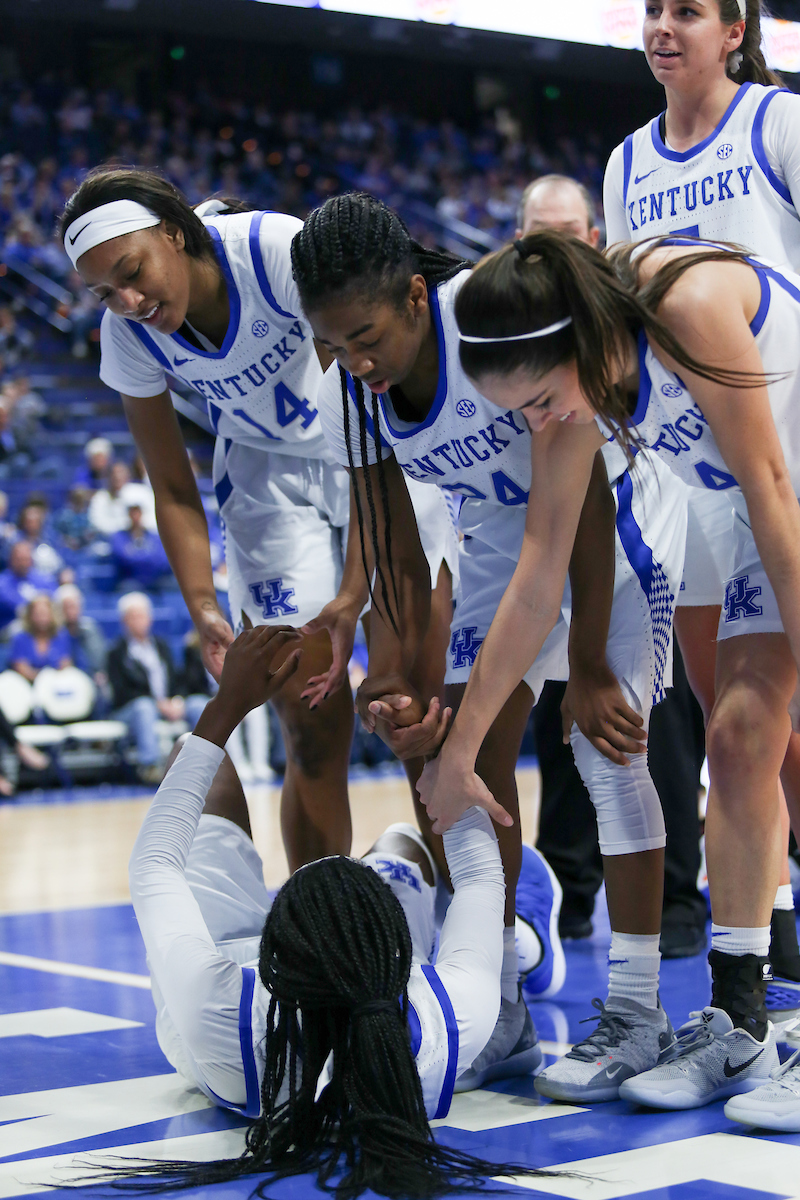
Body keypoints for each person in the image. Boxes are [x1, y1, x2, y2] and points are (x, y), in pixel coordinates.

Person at [295, 192, 688, 1100]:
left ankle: (635, 1012)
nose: (354, 362)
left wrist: (587, 659)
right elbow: (392, 547)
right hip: (499, 543)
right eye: (333, 345)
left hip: (608, 512)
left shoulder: (491, 322)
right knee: (456, 761)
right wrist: (391, 676)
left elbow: (578, 491)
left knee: (603, 750)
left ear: (416, 303)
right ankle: (499, 1003)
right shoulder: (351, 394)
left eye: (366, 338)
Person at [422, 228, 800, 1120]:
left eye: (545, 400)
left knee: (773, 739)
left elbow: (774, 485)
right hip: (735, 507)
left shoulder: (688, 308)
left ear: (584, 344)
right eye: (522, 413)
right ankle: (742, 1021)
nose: (542, 423)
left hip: (781, 490)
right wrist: (461, 752)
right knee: (738, 742)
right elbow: (535, 578)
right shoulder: (570, 396)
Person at [61, 168, 456, 871]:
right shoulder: (128, 337)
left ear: (175, 234)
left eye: (131, 271)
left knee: (414, 703)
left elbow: (367, 398)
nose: (126, 300)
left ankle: (476, 916)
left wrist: (354, 590)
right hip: (269, 481)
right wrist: (203, 605)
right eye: (103, 293)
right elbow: (174, 488)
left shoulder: (273, 252)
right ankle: (321, 934)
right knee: (307, 724)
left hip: (372, 453)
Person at [122, 623, 551, 1198]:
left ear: (275, 948)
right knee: (400, 842)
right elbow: (484, 879)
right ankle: (523, 940)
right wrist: (433, 752)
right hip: (340, 977)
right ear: (396, 952)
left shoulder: (222, 1010)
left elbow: (154, 864)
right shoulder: (439, 1019)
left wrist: (225, 709)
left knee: (189, 756)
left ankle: (521, 938)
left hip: (223, 962)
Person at [603, 0, 800, 1010]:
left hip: (777, 419)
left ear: (733, 32)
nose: (661, 26)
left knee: (746, 726)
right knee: (734, 727)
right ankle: (768, 919)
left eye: (685, 10)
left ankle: (745, 977)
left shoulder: (776, 124)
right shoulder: (626, 161)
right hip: (689, 463)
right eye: (651, 10)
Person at [519, 173, 708, 954]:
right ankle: (565, 899)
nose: (558, 244)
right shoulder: (506, 318)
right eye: (542, 233)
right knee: (562, 722)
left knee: (654, 717)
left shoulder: (626, 302)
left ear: (593, 238)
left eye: (570, 231)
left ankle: (676, 907)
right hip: (557, 529)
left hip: (652, 511)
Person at [108, 591, 207, 782]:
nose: (140, 621)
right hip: (131, 710)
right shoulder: (116, 653)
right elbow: (121, 692)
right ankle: (150, 766)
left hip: (166, 704)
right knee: (144, 707)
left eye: (143, 615)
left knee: (198, 704)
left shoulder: (161, 646)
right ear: (124, 621)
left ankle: (205, 762)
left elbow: (177, 679)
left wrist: (177, 700)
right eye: (134, 616)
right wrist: (157, 704)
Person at [9, 593, 72, 681]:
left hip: (56, 684)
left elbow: (65, 664)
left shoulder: (61, 636)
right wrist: (42, 681)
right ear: (30, 616)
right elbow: (20, 667)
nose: (41, 618)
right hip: (27, 684)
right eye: (37, 614)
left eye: (44, 614)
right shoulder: (20, 638)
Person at [110, 501, 172, 590]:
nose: (135, 516)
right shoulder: (119, 536)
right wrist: (147, 557)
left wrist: (137, 555)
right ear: (128, 515)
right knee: (128, 587)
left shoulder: (154, 536)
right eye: (132, 512)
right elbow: (123, 558)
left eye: (137, 512)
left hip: (155, 578)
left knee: (171, 585)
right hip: (131, 578)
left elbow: (162, 559)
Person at [54, 582, 107, 684]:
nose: (70, 611)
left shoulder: (90, 629)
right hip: (61, 680)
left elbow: (99, 660)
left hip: (88, 679)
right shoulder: (54, 632)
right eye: (66, 607)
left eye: (74, 606)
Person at [0, 540, 56, 629]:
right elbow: (14, 607)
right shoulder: (2, 582)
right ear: (11, 560)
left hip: (43, 628)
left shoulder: (43, 579)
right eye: (19, 559)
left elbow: (53, 600)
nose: (23, 563)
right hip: (10, 629)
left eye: (25, 559)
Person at [87, 460, 154, 535]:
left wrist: (138, 525)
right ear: (108, 477)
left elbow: (154, 518)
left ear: (128, 475)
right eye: (114, 474)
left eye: (121, 473)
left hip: (143, 537)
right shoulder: (100, 497)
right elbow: (97, 523)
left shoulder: (142, 492)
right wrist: (124, 528)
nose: (117, 477)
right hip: (110, 540)